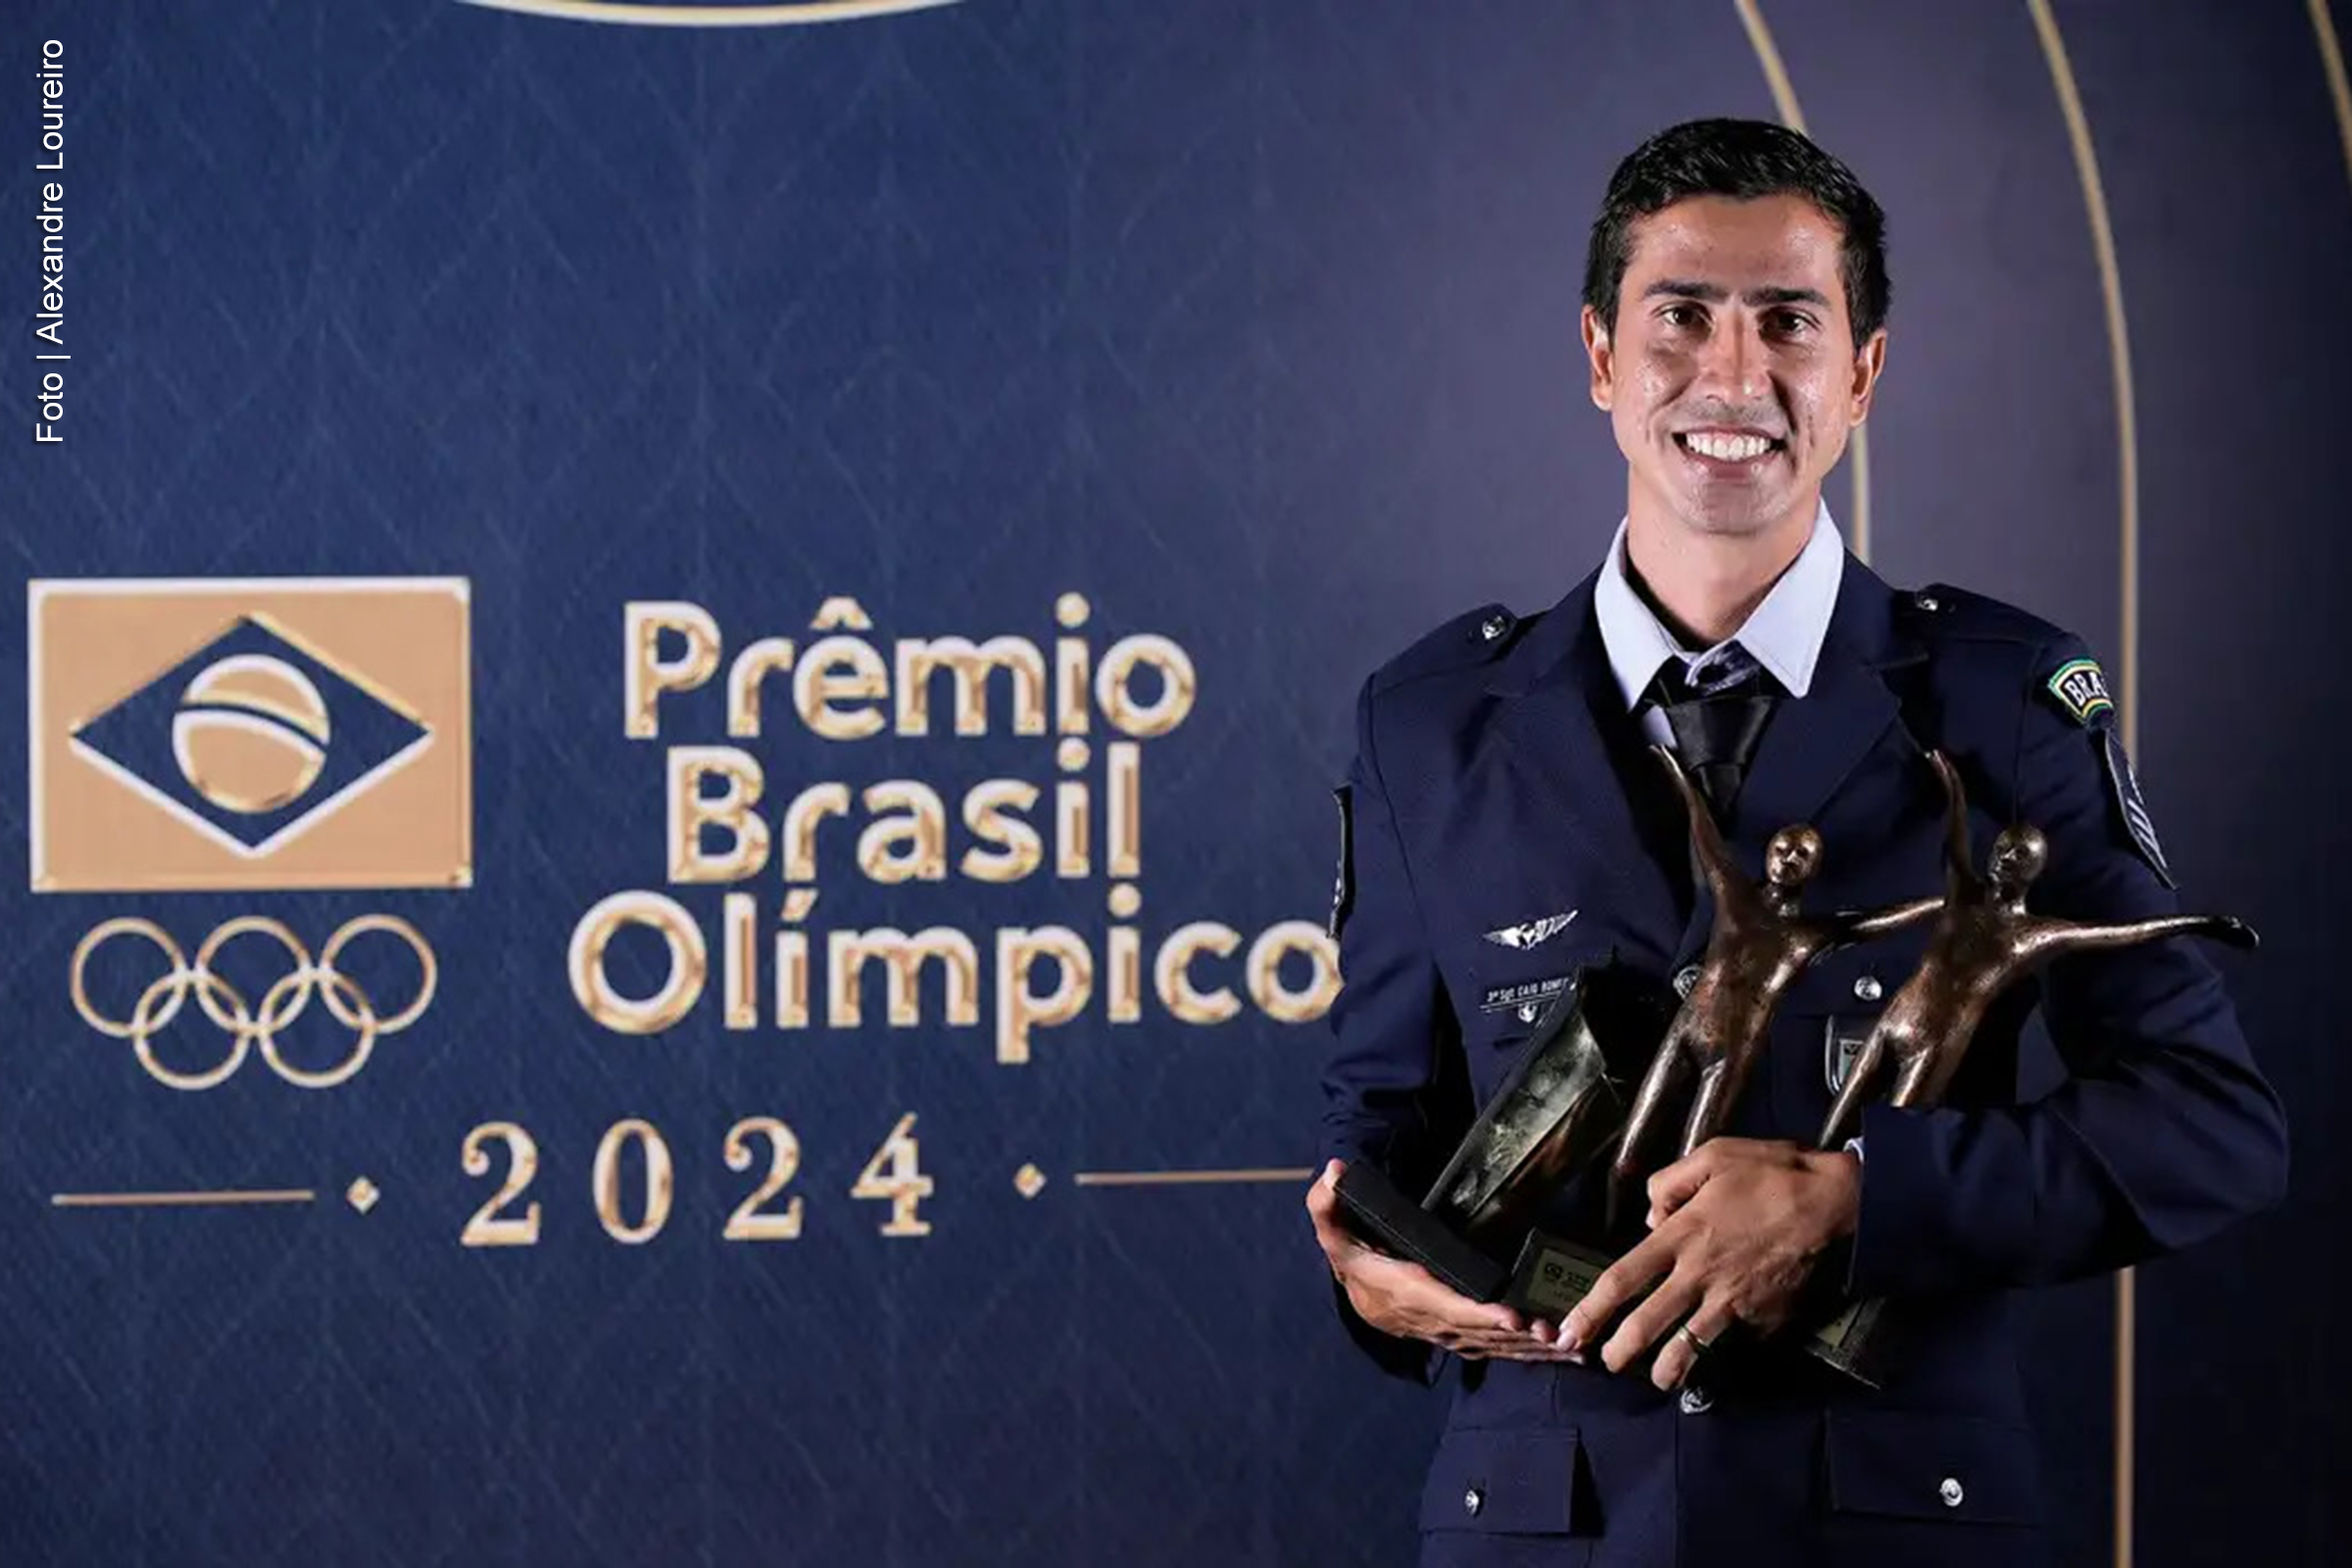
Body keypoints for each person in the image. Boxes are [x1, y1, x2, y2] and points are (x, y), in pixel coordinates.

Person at [1301, 117, 2286, 1568]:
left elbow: (2210, 1126)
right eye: (1680, 317)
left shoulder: (2002, 704)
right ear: (1598, 356)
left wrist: (1863, 1200)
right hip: (1545, 1534)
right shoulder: (1429, 724)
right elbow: (1374, 1133)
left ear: (1862, 375)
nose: (1733, 375)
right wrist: (1369, 1276)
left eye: (1789, 323)